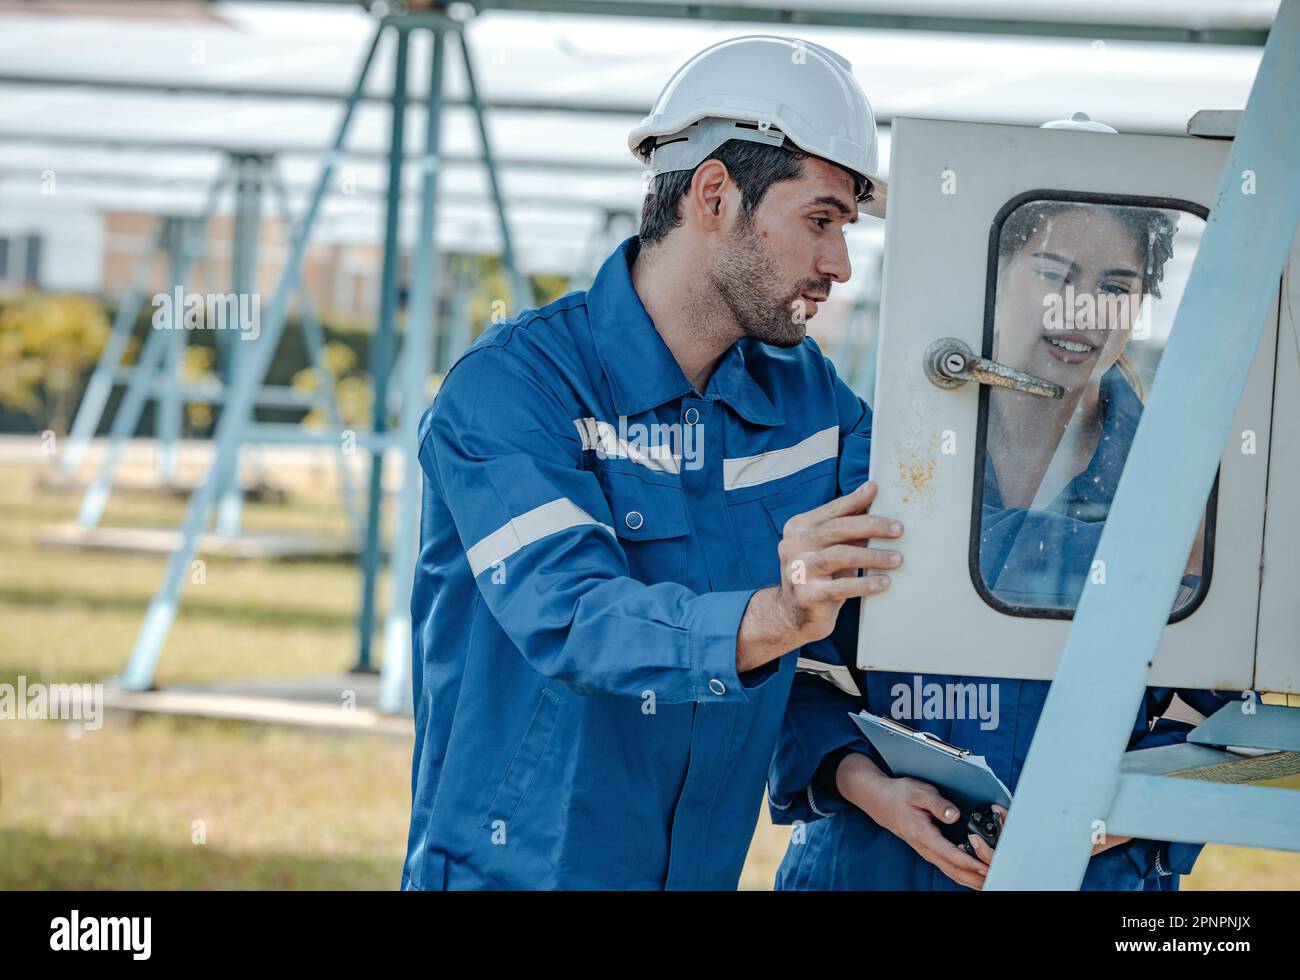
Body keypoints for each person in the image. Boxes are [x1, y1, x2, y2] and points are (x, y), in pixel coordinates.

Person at [402, 35, 902, 890]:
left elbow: (906, 570)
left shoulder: (811, 403)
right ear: (715, 193)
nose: (839, 266)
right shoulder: (513, 389)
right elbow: (571, 614)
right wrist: (776, 614)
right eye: (820, 220)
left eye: (845, 229)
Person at [769, 196, 1231, 891]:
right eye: (1053, 273)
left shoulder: (1184, 485)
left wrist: (1095, 819)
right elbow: (799, 672)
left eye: (1114, 287)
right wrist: (878, 795)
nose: (1081, 309)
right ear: (994, 274)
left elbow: (1221, 717)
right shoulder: (882, 458)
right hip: (875, 865)